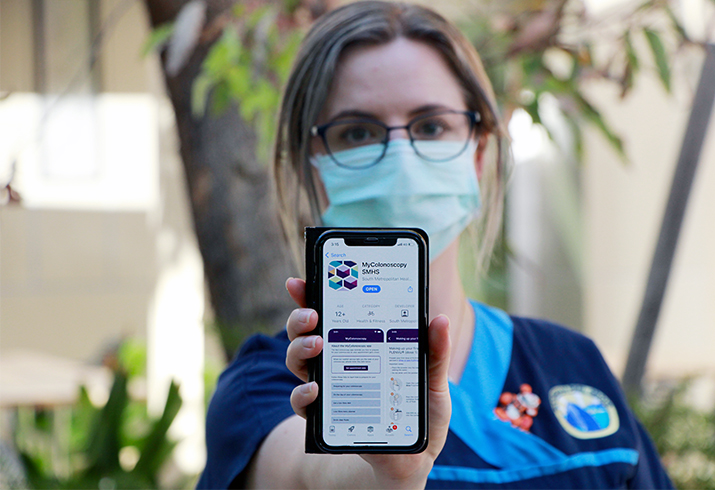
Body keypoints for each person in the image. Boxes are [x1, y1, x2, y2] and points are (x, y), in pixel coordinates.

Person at [197, 2, 674, 488]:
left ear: (479, 150)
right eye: (357, 132)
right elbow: (306, 472)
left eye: (431, 127)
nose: (401, 159)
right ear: (309, 167)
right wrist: (384, 471)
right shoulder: (266, 388)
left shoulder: (574, 367)